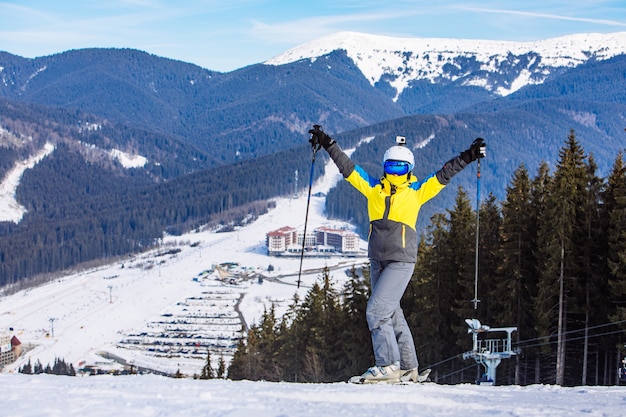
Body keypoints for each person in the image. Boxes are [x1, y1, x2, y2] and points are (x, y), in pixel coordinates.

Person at [308, 125, 486, 383]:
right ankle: (408, 367)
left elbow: (444, 174)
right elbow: (348, 168)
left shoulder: (416, 193)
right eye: (391, 167)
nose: (395, 172)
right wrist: (327, 142)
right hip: (377, 260)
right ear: (384, 167)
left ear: (409, 170)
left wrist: (469, 155)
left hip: (401, 261)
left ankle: (388, 366)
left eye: (400, 168)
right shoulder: (373, 189)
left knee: (376, 311)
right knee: (391, 312)